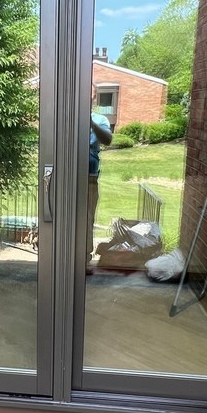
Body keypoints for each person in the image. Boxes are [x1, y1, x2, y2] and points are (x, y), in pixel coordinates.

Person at [88, 84, 112, 273]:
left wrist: (90, 123)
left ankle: (84, 259)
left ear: (93, 97)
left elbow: (107, 140)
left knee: (87, 219)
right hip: (66, 178)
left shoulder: (99, 119)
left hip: (89, 178)